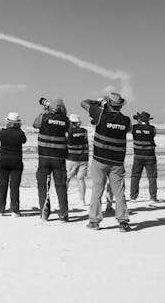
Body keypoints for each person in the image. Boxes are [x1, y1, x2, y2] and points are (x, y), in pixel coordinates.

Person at [82, 92, 132, 232]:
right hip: (117, 162)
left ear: (108, 103)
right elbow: (128, 129)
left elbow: (84, 102)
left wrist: (99, 102)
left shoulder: (100, 114)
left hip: (100, 160)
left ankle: (94, 221)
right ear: (120, 105)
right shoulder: (126, 120)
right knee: (119, 192)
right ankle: (123, 222)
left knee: (97, 190)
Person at [33, 98, 70, 222]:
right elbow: (68, 129)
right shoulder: (65, 120)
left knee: (43, 185)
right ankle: (64, 214)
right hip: (59, 158)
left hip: (44, 156)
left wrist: (44, 110)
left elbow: (35, 124)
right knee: (61, 186)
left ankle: (44, 212)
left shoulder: (44, 117)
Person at [0, 112, 26, 216]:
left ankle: (0, 209)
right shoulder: (20, 133)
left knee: (2, 186)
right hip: (16, 162)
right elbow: (24, 140)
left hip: (3, 161)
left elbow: (0, 136)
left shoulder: (2, 132)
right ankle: (14, 209)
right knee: (14, 187)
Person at [130, 111, 159, 203]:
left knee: (135, 176)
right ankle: (153, 197)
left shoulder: (134, 128)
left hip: (138, 155)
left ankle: (133, 197)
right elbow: (152, 134)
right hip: (150, 155)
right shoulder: (152, 128)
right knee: (152, 177)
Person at [65, 113, 89, 207]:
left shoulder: (68, 132)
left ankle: (63, 198)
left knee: (67, 179)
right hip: (83, 158)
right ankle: (82, 200)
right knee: (81, 179)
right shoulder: (85, 131)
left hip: (71, 158)